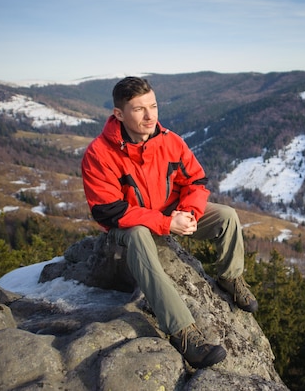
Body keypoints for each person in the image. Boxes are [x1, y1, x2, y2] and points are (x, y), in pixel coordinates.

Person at [81, 76, 258, 369]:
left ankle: (230, 277)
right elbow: (108, 212)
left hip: (170, 212)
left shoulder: (170, 141)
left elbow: (197, 181)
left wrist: (188, 213)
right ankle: (183, 333)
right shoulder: (99, 154)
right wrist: (166, 223)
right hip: (129, 228)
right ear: (119, 114)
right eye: (139, 109)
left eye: (153, 106)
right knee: (138, 235)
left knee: (226, 216)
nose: (150, 115)